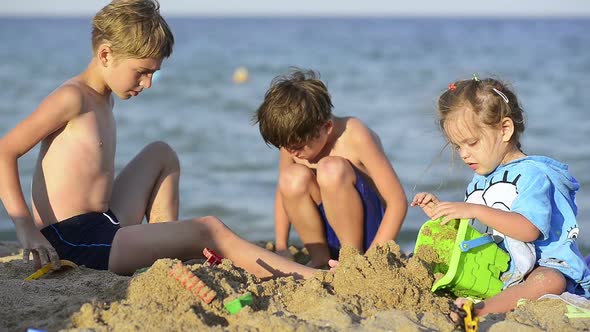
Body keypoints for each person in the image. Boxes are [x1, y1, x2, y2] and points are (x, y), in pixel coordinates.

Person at [0, 0, 315, 280]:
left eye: (152, 73)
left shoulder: (103, 98)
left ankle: (162, 254)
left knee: (161, 153)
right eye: (141, 72)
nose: (147, 83)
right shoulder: (72, 98)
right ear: (106, 54)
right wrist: (25, 228)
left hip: (103, 222)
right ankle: (311, 278)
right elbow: (5, 151)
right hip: (72, 241)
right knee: (210, 229)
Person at [411, 75, 590, 317]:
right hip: (503, 268)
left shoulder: (532, 174)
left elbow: (529, 230)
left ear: (505, 129)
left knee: (550, 280)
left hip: (543, 266)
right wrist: (443, 214)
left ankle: (479, 311)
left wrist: (473, 210)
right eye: (457, 146)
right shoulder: (481, 178)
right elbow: (481, 232)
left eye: (472, 143)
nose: (464, 154)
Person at [254, 69, 408, 268]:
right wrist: (282, 246)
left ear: (326, 127)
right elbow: (283, 191)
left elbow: (397, 201)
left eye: (299, 148)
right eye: (286, 147)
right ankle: (320, 258)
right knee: (291, 177)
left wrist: (373, 258)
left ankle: (352, 259)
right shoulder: (293, 140)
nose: (294, 153)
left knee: (331, 169)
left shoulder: (355, 135)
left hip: (370, 234)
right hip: (328, 233)